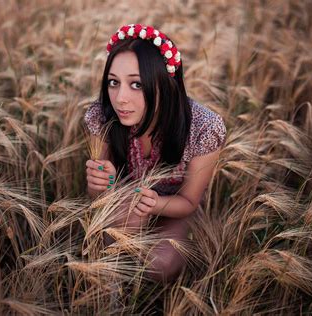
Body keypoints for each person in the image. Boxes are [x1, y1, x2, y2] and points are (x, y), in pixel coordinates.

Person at [84, 24, 226, 283]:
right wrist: (104, 184)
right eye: (113, 82)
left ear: (165, 84)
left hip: (174, 205)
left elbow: (188, 202)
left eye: (136, 84)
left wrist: (154, 204)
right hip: (125, 200)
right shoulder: (102, 116)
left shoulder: (204, 128)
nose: (120, 98)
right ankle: (113, 289)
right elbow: (98, 198)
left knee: (161, 266)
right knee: (118, 238)